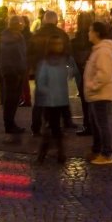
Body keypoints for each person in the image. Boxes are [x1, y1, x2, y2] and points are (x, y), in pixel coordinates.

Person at [29, 10, 73, 136]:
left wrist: (34, 66)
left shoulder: (36, 34)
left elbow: (30, 52)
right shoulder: (61, 34)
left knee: (40, 98)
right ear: (56, 20)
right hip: (58, 70)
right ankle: (58, 124)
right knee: (59, 96)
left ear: (44, 20)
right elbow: (68, 52)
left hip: (40, 69)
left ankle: (36, 126)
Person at [34, 34, 76, 164]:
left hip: (60, 101)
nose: (59, 47)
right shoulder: (45, 63)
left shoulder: (64, 61)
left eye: (60, 44)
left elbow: (72, 73)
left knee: (54, 127)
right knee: (53, 127)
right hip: (51, 101)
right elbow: (40, 83)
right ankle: (53, 153)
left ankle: (49, 153)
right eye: (56, 44)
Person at [84, 21, 112, 164]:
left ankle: (106, 153)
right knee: (96, 123)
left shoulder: (103, 52)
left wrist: (92, 85)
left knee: (102, 124)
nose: (88, 33)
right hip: (97, 94)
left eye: (90, 30)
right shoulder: (98, 50)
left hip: (101, 94)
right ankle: (97, 150)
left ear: (96, 33)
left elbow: (104, 74)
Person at [0, 15, 27, 135]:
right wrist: (15, 71)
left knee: (14, 99)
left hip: (17, 70)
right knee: (11, 99)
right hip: (12, 72)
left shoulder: (17, 36)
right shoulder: (10, 37)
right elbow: (10, 56)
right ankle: (9, 124)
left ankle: (11, 123)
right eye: (20, 24)